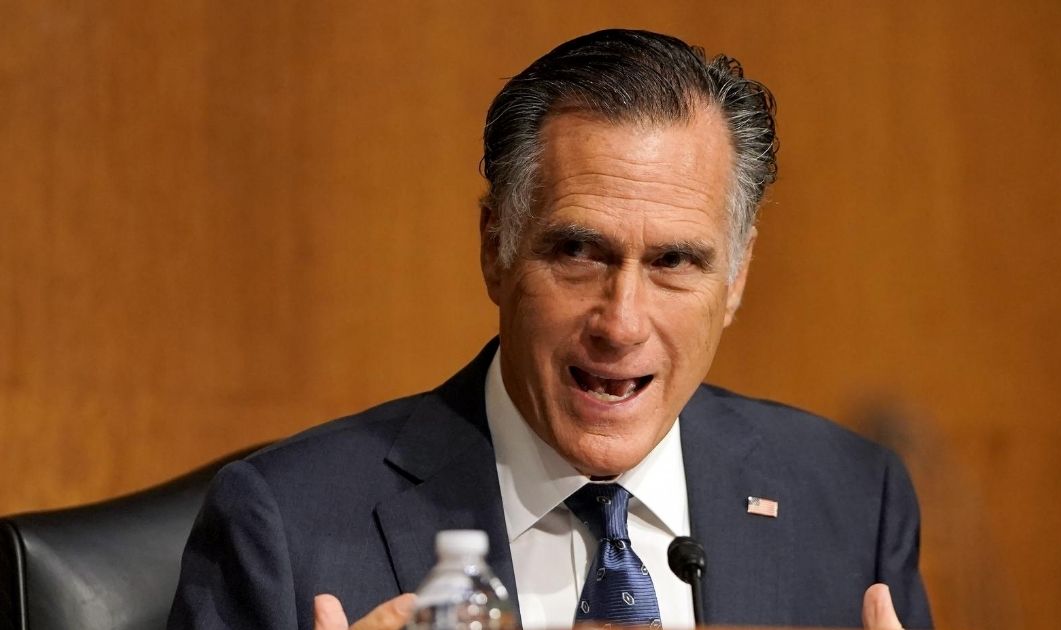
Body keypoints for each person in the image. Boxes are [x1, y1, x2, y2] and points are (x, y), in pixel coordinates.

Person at [169, 29, 932, 630]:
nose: (622, 322)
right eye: (577, 251)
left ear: (735, 279)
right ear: (495, 250)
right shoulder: (287, 526)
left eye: (674, 262)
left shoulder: (851, 502)